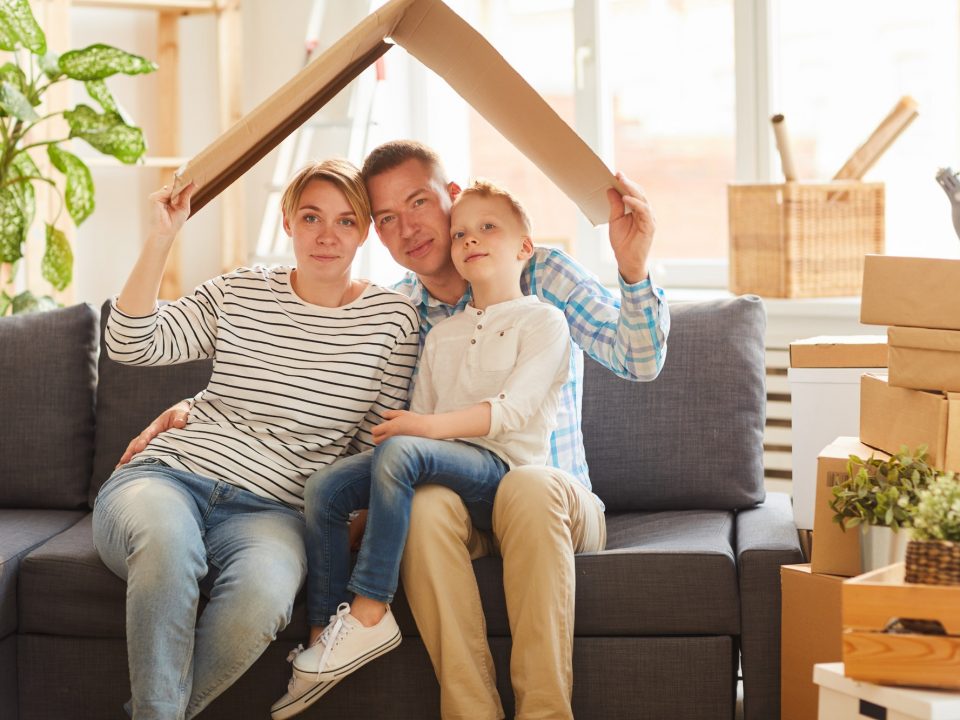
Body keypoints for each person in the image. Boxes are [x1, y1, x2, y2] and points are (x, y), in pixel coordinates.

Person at [122, 140, 669, 720]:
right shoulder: (402, 315)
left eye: (418, 203)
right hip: (463, 507)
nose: (408, 228)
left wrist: (633, 270)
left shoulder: (536, 272)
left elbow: (637, 361)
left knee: (526, 487)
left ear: (450, 197)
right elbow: (358, 417)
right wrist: (194, 406)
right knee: (427, 510)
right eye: (386, 218)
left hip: (550, 499)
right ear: (375, 234)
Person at [92, 158, 420, 720]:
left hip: (274, 513)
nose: (326, 235)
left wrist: (340, 540)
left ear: (365, 231)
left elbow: (372, 448)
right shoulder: (239, 290)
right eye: (311, 216)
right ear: (288, 222)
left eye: (346, 221)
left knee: (263, 599)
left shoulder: (393, 320)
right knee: (169, 548)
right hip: (167, 478)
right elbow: (129, 344)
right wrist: (160, 239)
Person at [271, 180, 571, 719]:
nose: (471, 240)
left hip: (507, 469)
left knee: (406, 448)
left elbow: (513, 411)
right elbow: (420, 422)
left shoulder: (543, 320)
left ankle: (370, 610)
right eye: (461, 233)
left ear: (525, 248)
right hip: (450, 480)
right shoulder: (441, 335)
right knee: (326, 487)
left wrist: (421, 431)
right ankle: (324, 638)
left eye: (488, 229)